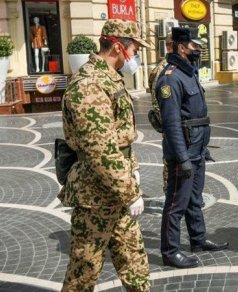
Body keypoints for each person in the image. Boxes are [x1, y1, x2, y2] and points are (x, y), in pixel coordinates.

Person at [59, 19, 151, 291]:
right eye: (134, 49)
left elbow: (119, 138)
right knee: (84, 271)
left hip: (118, 192)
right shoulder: (90, 84)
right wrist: (130, 191)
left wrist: (131, 169)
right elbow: (101, 148)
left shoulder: (109, 78)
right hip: (95, 198)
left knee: (134, 263)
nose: (135, 56)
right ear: (119, 47)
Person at [156, 27, 228, 269]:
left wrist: (202, 148)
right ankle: (170, 251)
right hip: (183, 151)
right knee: (175, 203)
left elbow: (196, 115)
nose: (199, 49)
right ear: (181, 47)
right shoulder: (170, 77)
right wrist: (182, 158)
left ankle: (197, 239)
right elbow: (172, 123)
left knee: (194, 199)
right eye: (194, 45)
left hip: (196, 148)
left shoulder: (189, 72)